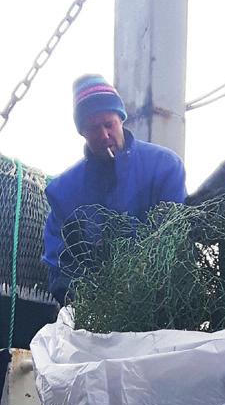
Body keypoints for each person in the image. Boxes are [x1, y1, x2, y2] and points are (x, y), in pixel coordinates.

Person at [43, 74, 186, 303]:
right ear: (82, 132)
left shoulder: (165, 166)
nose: (104, 135)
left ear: (121, 119)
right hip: (95, 313)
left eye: (108, 124)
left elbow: (176, 236)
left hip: (160, 306)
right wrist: (83, 298)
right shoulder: (63, 191)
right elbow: (59, 262)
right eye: (92, 128)